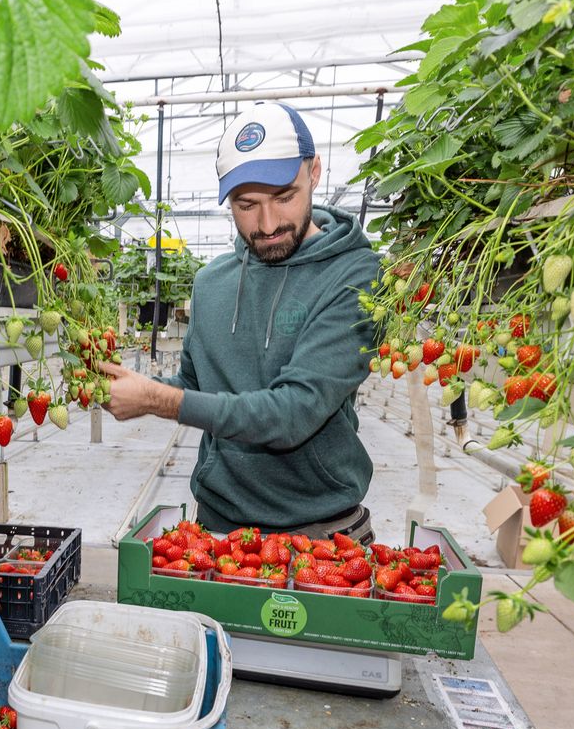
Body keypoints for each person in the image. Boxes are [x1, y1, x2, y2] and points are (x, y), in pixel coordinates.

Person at [101, 101, 380, 542]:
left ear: (315, 171)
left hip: (323, 539)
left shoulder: (354, 275)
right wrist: (124, 385)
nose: (267, 224)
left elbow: (293, 413)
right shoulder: (210, 284)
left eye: (285, 197)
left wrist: (157, 400)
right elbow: (194, 386)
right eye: (246, 204)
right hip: (217, 532)